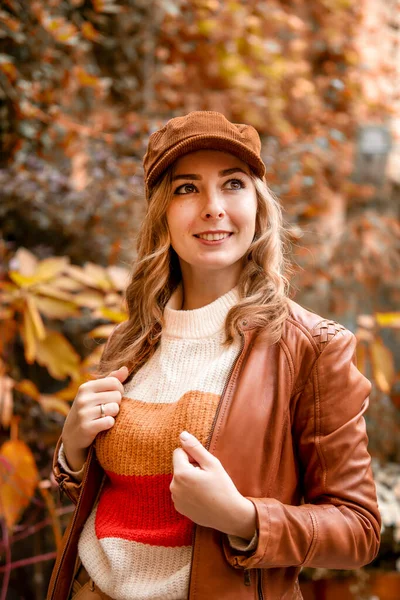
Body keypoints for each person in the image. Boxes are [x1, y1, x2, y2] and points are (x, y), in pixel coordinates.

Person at [47, 111, 381, 600]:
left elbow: (358, 530)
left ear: (258, 205)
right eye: (187, 189)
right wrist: (73, 453)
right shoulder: (134, 339)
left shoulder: (310, 348)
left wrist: (242, 518)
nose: (212, 207)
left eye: (233, 184)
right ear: (162, 212)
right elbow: (122, 497)